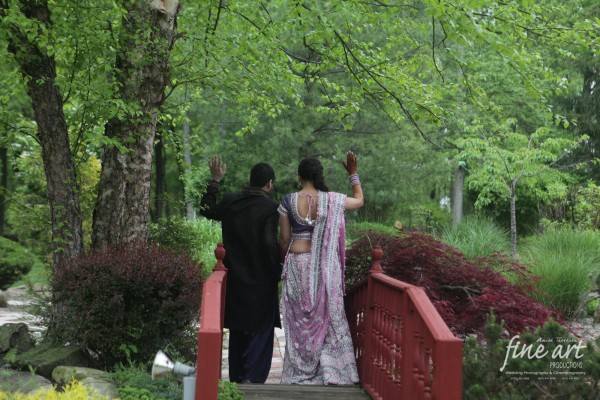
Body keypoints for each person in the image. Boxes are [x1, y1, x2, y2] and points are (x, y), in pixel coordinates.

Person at [277, 151, 364, 385]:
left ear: (299, 176)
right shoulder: (332, 200)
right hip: (327, 268)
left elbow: (284, 240)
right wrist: (353, 174)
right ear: (318, 176)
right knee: (329, 314)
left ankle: (299, 370)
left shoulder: (287, 201)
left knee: (298, 320)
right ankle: (331, 369)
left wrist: (281, 262)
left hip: (297, 264)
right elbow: (359, 201)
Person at [199, 155, 281, 384]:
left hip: (235, 279)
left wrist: (215, 181)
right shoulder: (270, 208)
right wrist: (278, 270)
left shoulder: (231, 202)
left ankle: (237, 379)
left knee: (238, 331)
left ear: (252, 181)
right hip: (261, 280)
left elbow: (206, 209)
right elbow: (268, 243)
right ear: (269, 184)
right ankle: (253, 382)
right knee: (260, 332)